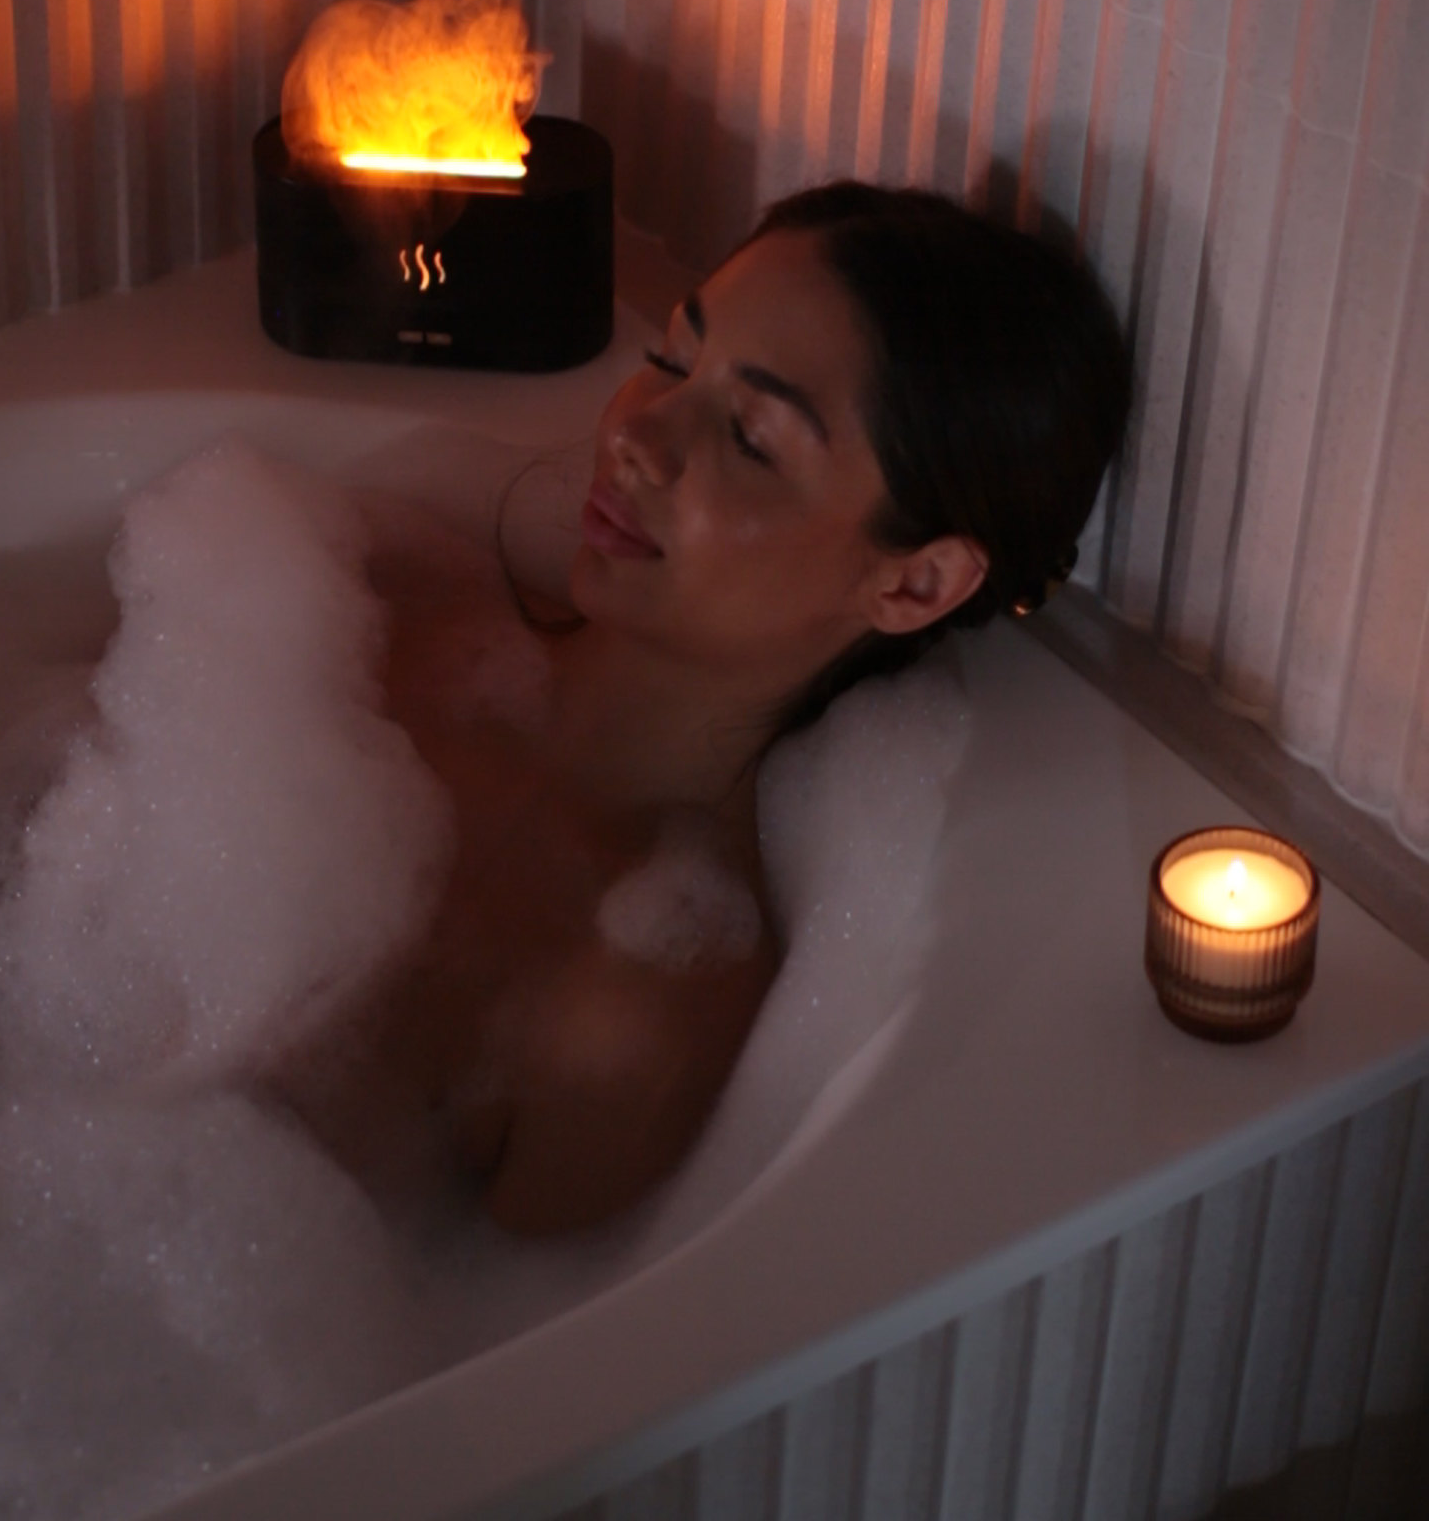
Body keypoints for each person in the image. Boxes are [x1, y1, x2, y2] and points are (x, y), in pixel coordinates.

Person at [289, 182, 1132, 1236]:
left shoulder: (629, 1007)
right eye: (673, 359)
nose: (638, 432)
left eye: (751, 438)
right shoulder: (359, 615)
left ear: (915, 583)